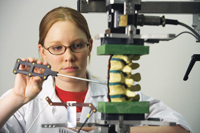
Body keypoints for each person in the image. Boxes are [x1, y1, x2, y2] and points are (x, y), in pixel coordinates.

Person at [0, 6, 192, 133]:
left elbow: (181, 128)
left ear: (90, 46)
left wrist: (115, 129)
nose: (69, 56)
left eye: (77, 45)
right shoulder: (25, 103)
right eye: (57, 48)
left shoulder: (119, 96)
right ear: (42, 52)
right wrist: (18, 97)